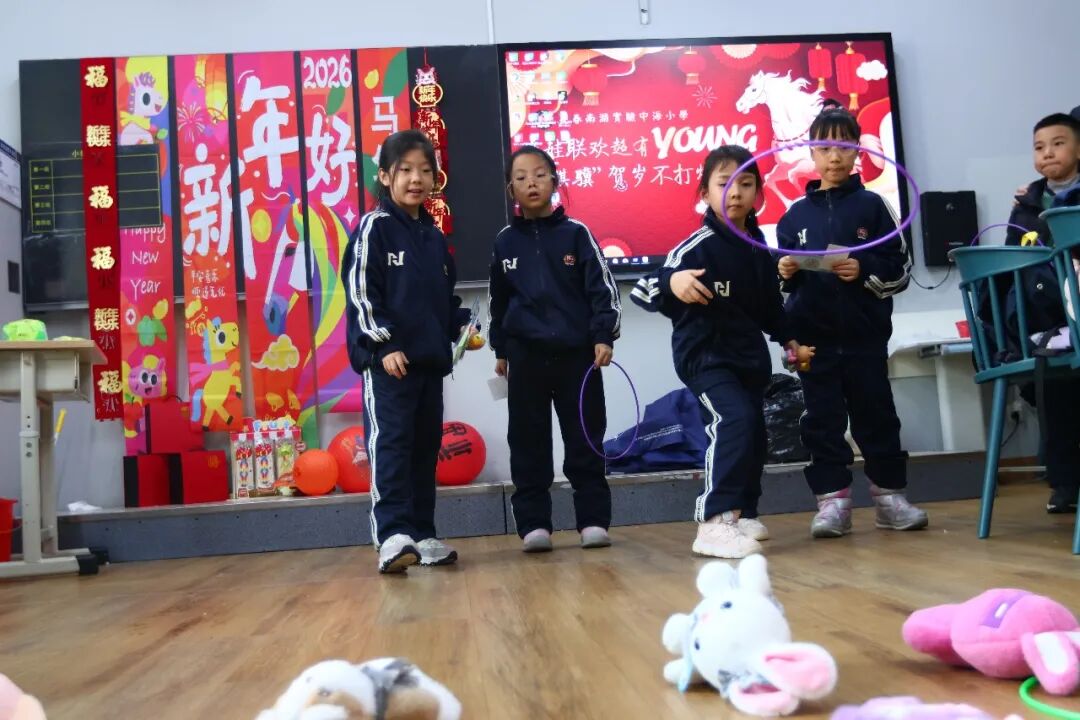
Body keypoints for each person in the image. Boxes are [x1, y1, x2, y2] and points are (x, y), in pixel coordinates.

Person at [631, 145, 811, 558]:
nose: (735, 192)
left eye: (745, 184)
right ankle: (713, 521)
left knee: (754, 431)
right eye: (724, 183)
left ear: (758, 194)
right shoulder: (697, 246)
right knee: (734, 419)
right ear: (705, 193)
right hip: (706, 359)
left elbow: (770, 308)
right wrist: (672, 282)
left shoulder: (759, 248)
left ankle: (743, 512)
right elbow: (645, 289)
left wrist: (790, 340)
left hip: (748, 361)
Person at [776, 104, 928, 538]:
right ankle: (832, 505)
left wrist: (864, 270)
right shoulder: (793, 217)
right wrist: (783, 272)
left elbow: (900, 269)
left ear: (859, 151)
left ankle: (890, 499)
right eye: (825, 148)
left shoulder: (874, 206)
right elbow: (779, 285)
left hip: (864, 339)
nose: (835, 157)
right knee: (821, 423)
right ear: (811, 152)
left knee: (877, 417)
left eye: (844, 147)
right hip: (812, 343)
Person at [344, 129, 472, 573]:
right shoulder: (374, 228)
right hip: (388, 366)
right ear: (385, 176)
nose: (416, 179)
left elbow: (442, 298)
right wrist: (384, 344)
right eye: (405, 170)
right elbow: (362, 293)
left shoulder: (433, 237)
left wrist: (460, 326)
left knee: (423, 450)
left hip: (428, 366)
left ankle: (422, 533)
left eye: (425, 171)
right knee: (392, 447)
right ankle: (392, 535)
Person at [488, 146, 622, 553]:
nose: (531, 183)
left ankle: (593, 521)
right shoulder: (505, 242)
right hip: (525, 359)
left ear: (555, 181)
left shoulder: (577, 234)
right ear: (510, 188)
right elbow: (499, 301)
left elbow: (602, 291)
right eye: (521, 177)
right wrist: (501, 349)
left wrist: (603, 336)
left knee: (585, 438)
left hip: (578, 358)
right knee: (527, 443)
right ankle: (534, 525)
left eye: (540, 174)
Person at [1005, 112, 1080, 513]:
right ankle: (1065, 482)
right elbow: (1010, 263)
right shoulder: (1025, 207)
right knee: (1054, 394)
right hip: (1045, 323)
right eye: (1039, 147)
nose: (1048, 153)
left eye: (1058, 143)